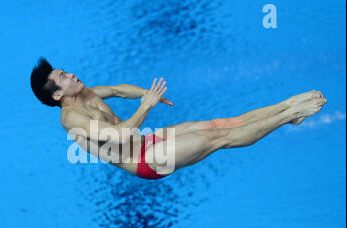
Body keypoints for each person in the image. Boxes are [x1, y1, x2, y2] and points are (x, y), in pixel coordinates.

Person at [30, 57, 327, 180]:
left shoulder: (87, 93)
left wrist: (145, 92)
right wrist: (146, 106)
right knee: (218, 139)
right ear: (57, 95)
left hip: (147, 141)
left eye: (65, 71)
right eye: (63, 77)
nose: (71, 75)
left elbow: (119, 90)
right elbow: (118, 136)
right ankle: (292, 113)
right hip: (146, 161)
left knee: (220, 124)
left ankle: (285, 108)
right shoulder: (71, 121)